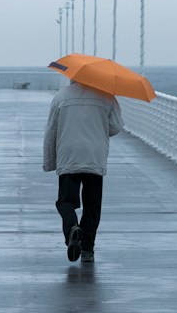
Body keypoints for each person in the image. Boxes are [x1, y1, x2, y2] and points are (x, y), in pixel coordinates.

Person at [41, 78, 123, 262]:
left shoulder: (61, 96)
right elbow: (116, 126)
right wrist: (98, 126)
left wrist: (49, 162)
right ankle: (87, 250)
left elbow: (51, 130)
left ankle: (72, 229)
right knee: (92, 205)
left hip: (68, 154)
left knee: (65, 201)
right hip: (94, 155)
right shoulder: (106, 96)